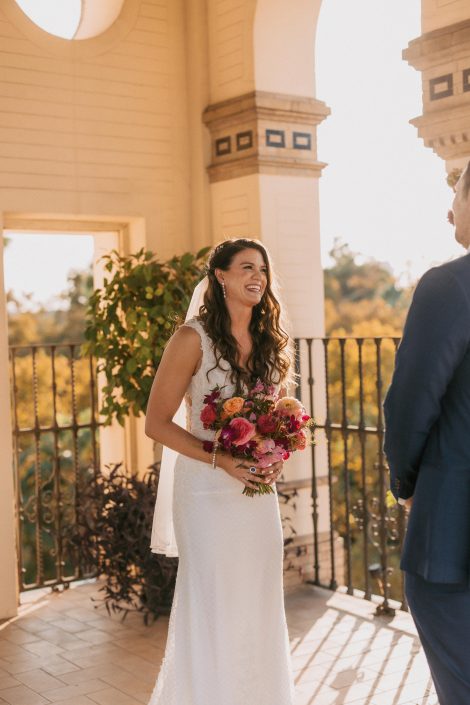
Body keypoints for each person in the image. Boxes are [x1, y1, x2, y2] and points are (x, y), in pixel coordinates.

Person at [145, 238, 296, 705]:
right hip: (206, 490)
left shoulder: (271, 340)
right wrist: (220, 458)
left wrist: (274, 449)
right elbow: (156, 422)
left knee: (258, 599)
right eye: (246, 267)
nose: (258, 277)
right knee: (213, 602)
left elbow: (275, 413)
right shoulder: (193, 338)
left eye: (263, 270)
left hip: (254, 492)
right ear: (221, 277)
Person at [384, 163, 470, 705]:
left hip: (454, 539)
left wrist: (407, 484)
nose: (449, 208)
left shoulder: (451, 286)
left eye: (457, 193)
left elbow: (411, 404)